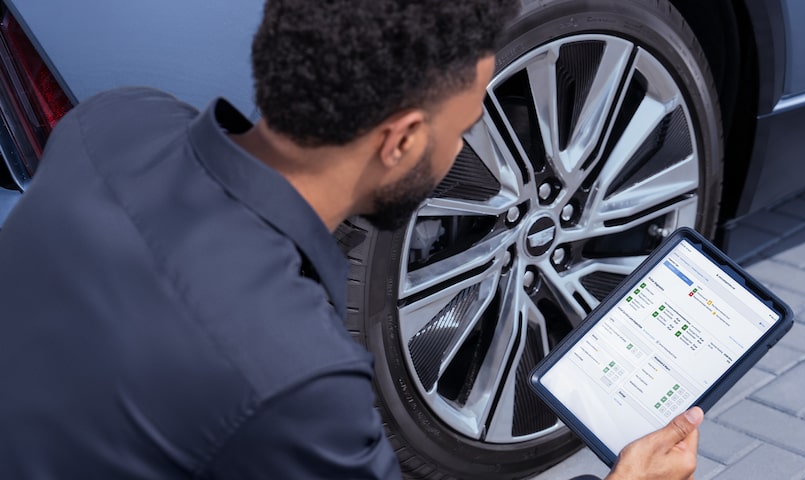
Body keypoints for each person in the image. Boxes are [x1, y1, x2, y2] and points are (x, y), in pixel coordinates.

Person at [0, 0, 702, 478]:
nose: (465, 149)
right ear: (398, 141)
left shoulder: (116, 124)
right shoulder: (300, 379)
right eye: (463, 128)